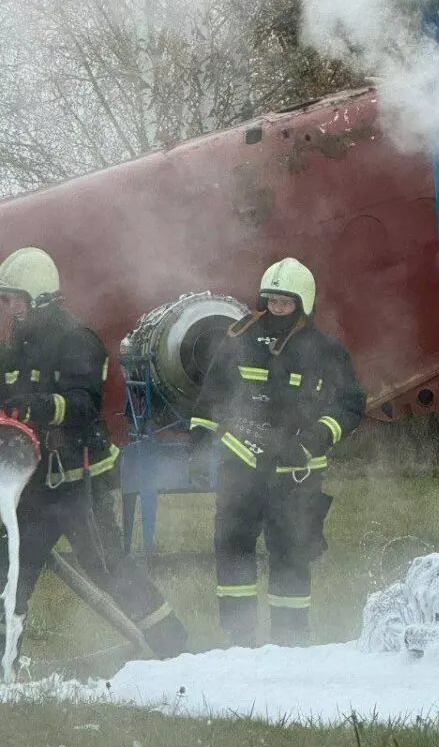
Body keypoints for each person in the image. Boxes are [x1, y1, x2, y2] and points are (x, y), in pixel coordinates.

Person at [0, 247, 188, 660]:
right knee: (10, 572)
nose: (6, 306)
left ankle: (175, 652)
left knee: (109, 567)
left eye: (11, 298)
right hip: (32, 486)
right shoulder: (14, 346)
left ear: (35, 297)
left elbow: (84, 406)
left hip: (79, 484)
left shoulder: (76, 340)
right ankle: (5, 666)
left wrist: (42, 406)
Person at [190, 257, 365, 648]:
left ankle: (291, 643)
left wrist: (312, 441)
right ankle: (238, 641)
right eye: (271, 301)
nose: (277, 309)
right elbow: (210, 399)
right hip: (241, 468)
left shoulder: (325, 352)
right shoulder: (239, 341)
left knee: (290, 556)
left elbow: (350, 406)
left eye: (285, 303)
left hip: (295, 475)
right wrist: (200, 445)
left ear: (302, 303)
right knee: (232, 548)